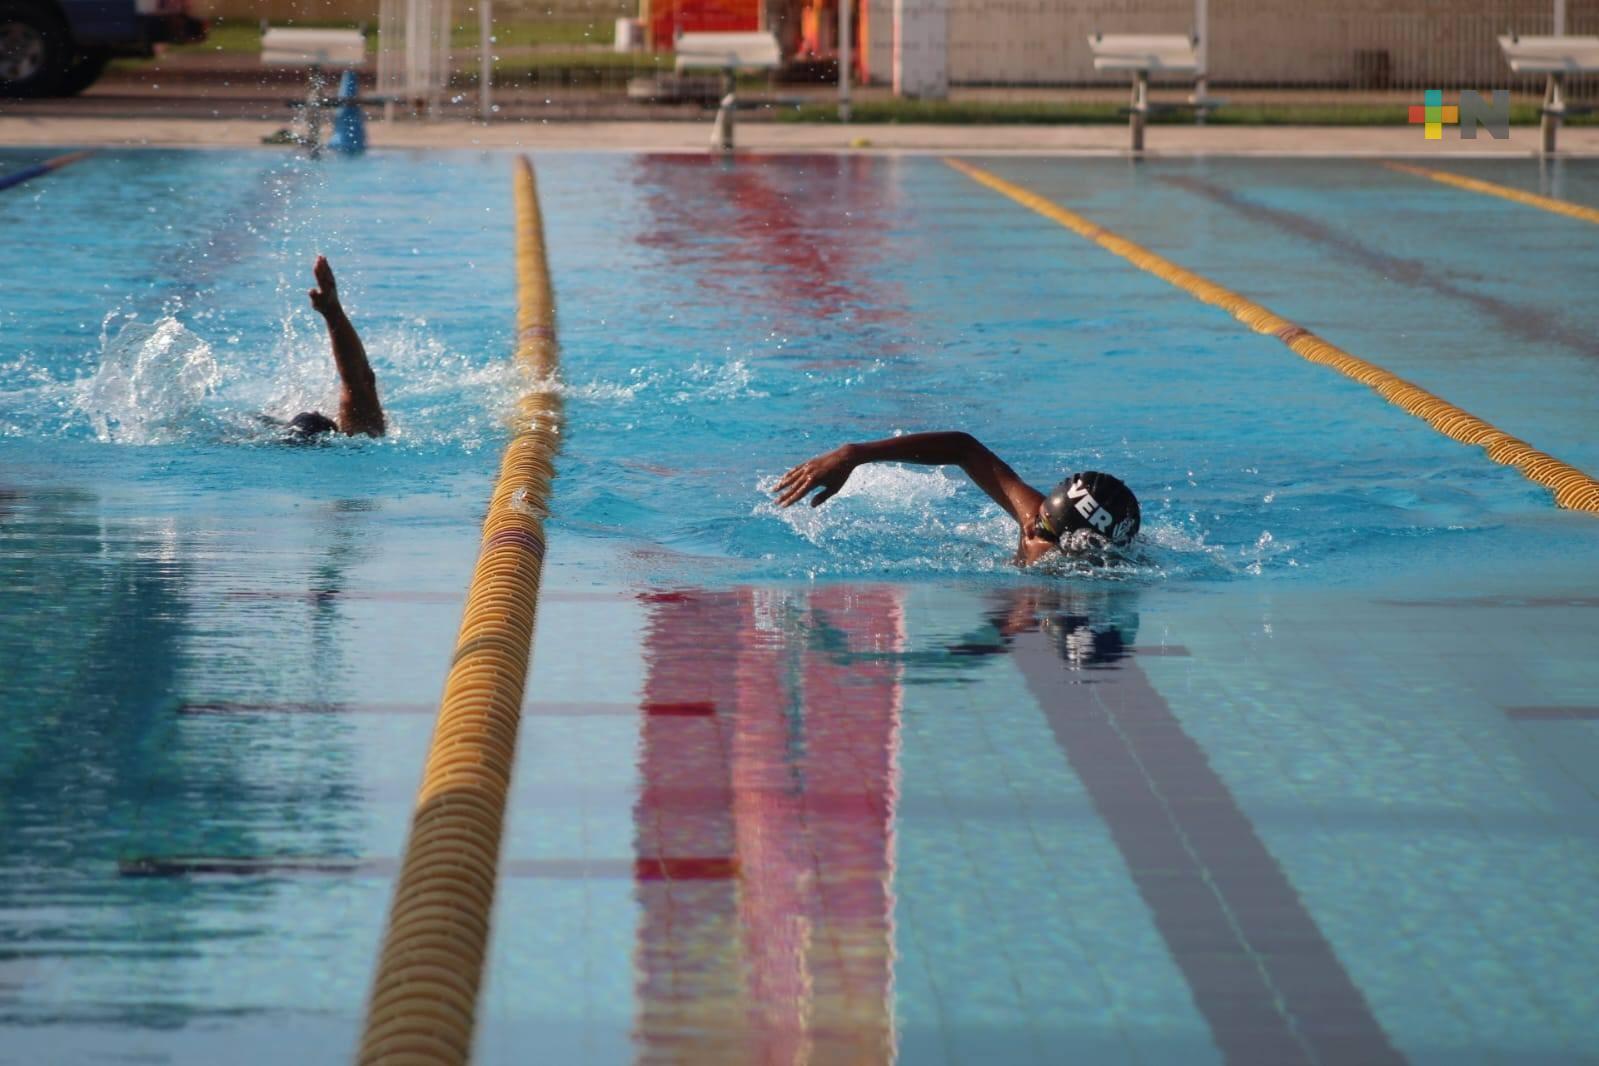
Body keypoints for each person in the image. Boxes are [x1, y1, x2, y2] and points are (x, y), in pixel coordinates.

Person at [773, 431, 1140, 566]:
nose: (1027, 524)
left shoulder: (1064, 600)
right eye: (1038, 513)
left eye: (1043, 530)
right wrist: (854, 454)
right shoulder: (1041, 520)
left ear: (1078, 551)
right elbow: (964, 449)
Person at [287, 255, 385, 439]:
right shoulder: (359, 442)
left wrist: (332, 312)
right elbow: (359, 380)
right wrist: (332, 312)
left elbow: (360, 381)